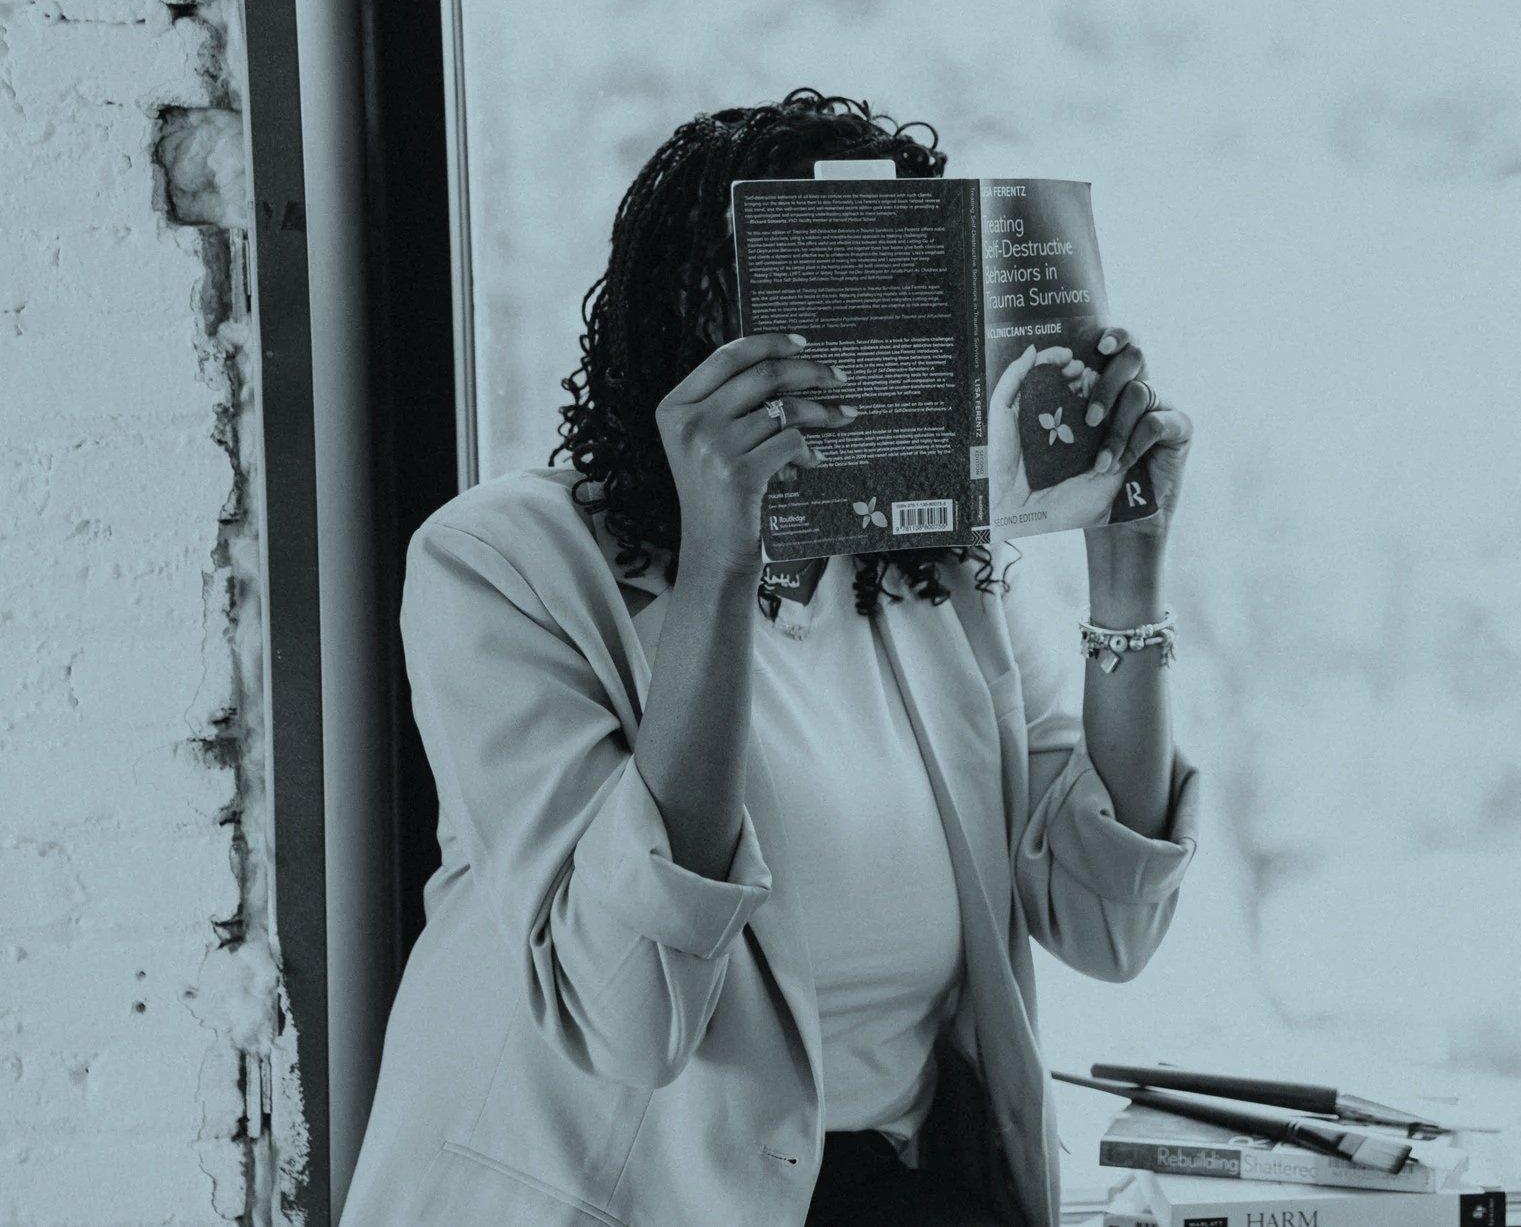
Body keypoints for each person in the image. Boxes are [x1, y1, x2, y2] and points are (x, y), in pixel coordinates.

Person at [341, 91, 1201, 1227]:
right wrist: (721, 555)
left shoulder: (938, 573)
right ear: (689, 322)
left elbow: (1107, 921)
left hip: (884, 1186)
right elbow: (628, 1012)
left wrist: (1128, 571)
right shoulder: (502, 561)